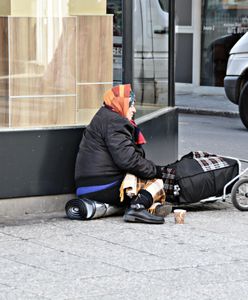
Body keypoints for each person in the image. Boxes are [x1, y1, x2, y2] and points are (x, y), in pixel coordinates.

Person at [74, 84, 173, 224]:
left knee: (138, 177)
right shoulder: (115, 121)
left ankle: (150, 206)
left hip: (89, 185)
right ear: (121, 104)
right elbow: (128, 160)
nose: (134, 109)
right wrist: (156, 171)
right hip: (102, 186)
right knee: (156, 182)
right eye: (131, 104)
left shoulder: (104, 116)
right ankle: (137, 208)